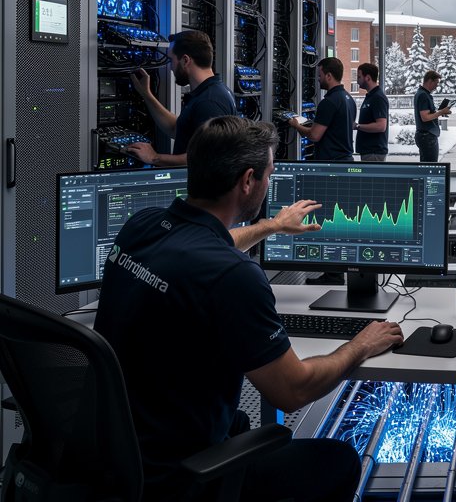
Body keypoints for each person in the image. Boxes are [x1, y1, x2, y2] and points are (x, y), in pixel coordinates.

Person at [95, 116, 404, 501]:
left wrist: (272, 226)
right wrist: (359, 345)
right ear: (247, 181)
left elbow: (213, 242)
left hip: (111, 448)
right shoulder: (234, 276)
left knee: (243, 421)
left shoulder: (142, 225)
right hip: (175, 475)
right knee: (339, 461)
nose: (269, 183)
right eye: (269, 174)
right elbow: (292, 391)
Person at [126, 31, 235, 167]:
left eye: (172, 60)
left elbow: (205, 158)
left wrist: (154, 158)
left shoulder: (210, 101)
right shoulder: (211, 92)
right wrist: (146, 94)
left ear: (185, 60)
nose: (170, 67)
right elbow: (176, 129)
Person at [289, 57, 356, 161]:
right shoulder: (349, 99)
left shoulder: (328, 102)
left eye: (320, 76)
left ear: (329, 76)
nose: (318, 79)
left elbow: (314, 135)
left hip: (332, 164)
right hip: (346, 161)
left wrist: (296, 125)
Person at [354, 62, 389, 162]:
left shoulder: (378, 98)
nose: (357, 80)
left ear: (368, 78)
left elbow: (381, 126)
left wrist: (357, 126)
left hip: (374, 153)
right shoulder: (371, 96)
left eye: (359, 77)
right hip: (369, 152)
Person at [414, 70, 451, 163]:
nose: (437, 86)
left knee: (426, 166)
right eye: (436, 82)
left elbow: (427, 115)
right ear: (430, 81)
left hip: (425, 136)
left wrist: (439, 112)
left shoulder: (422, 93)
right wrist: (441, 111)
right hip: (427, 137)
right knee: (431, 166)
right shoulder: (423, 95)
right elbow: (425, 117)